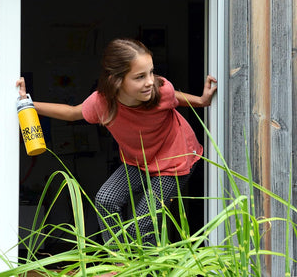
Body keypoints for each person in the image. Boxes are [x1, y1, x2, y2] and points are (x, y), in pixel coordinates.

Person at [16, 38, 217, 248]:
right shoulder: (101, 103)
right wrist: (27, 103)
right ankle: (119, 260)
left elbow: (174, 97)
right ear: (117, 80)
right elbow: (72, 113)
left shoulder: (161, 90)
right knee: (105, 200)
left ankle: (147, 269)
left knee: (141, 225)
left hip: (174, 160)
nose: (150, 81)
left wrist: (202, 101)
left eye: (151, 72)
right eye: (140, 76)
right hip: (138, 160)